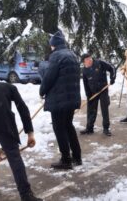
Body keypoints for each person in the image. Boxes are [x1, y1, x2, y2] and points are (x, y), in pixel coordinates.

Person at [39, 29, 82, 170]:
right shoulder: (72, 55)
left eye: (51, 45)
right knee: (68, 126)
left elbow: (49, 78)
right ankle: (77, 156)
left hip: (59, 100)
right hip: (71, 98)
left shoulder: (56, 56)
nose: (51, 47)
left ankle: (66, 159)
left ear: (55, 45)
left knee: (59, 128)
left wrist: (42, 91)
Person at [80, 53, 116, 136]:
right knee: (91, 110)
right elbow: (85, 84)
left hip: (103, 90)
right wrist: (88, 94)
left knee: (104, 109)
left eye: (90, 58)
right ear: (84, 62)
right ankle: (89, 128)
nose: (90, 60)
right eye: (87, 60)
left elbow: (112, 68)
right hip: (93, 92)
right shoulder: (84, 70)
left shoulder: (99, 63)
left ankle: (106, 128)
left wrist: (112, 78)